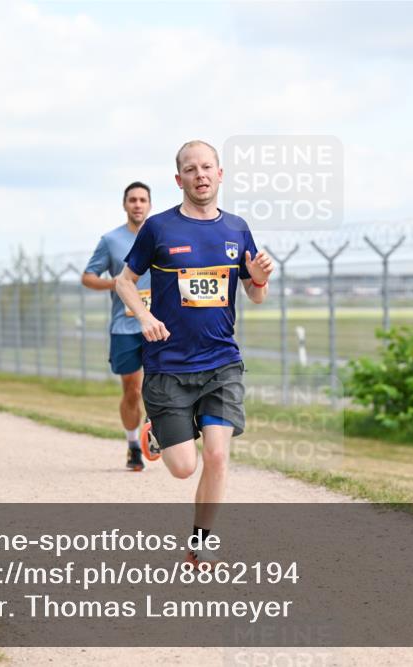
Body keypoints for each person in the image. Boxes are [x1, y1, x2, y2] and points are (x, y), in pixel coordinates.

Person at [116, 140, 274, 567]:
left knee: (218, 456)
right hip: (168, 365)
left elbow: (255, 296)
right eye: (191, 169)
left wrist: (258, 280)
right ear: (179, 179)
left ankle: (200, 542)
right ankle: (157, 431)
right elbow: (124, 281)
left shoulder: (237, 229)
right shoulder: (158, 228)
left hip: (221, 362)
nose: (200, 175)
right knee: (184, 467)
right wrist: (144, 316)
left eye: (207, 167)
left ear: (219, 174)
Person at [82, 181, 153, 471]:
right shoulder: (111, 240)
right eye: (132, 200)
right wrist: (117, 283)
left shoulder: (161, 237)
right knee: (132, 391)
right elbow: (88, 277)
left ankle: (156, 429)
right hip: (125, 326)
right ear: (125, 205)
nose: (137, 204)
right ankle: (133, 444)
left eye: (142, 200)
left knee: (161, 384)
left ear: (150, 205)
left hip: (158, 323)